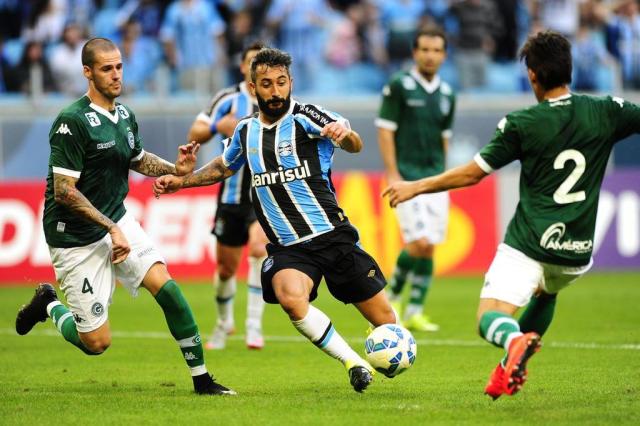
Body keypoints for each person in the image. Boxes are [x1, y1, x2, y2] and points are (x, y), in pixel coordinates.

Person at [383, 30, 640, 399]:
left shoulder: (523, 122)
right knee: (546, 292)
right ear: (569, 69)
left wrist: (416, 186)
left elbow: (472, 174)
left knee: (489, 317)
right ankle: (507, 367)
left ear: (532, 75)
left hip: (530, 243)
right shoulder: (607, 110)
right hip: (577, 251)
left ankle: (513, 342)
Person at [154, 47, 397, 393]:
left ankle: (384, 350)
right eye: (266, 84)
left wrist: (345, 135)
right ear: (253, 87)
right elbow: (223, 167)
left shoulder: (307, 116)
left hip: (332, 236)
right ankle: (353, 363)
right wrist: (181, 181)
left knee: (386, 321)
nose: (275, 91)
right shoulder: (245, 131)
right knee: (290, 297)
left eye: (281, 82)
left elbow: (354, 142)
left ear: (290, 82)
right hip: (289, 248)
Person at [14, 37, 235, 396]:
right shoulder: (71, 121)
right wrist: (110, 228)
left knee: (167, 288)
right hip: (75, 237)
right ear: (88, 72)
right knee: (96, 343)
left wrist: (176, 169)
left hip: (117, 219)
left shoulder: (125, 116)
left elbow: (137, 159)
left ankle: (202, 379)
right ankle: (49, 304)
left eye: (119, 67)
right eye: (106, 69)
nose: (116, 75)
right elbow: (64, 191)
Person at [187, 41, 269, 350]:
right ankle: (224, 324)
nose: (257, 67)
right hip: (232, 196)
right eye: (252, 62)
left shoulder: (277, 99)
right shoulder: (228, 98)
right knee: (225, 269)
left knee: (259, 249)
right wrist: (217, 125)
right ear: (243, 67)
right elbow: (195, 132)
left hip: (264, 194)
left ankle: (254, 326)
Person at [375, 26, 456, 333]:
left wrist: (445, 176)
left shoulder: (447, 93)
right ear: (414, 53)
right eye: (425, 50)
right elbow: (385, 130)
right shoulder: (400, 85)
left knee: (430, 246)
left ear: (444, 55)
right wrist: (392, 172)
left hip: (435, 180)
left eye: (436, 50)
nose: (430, 56)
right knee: (418, 242)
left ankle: (415, 311)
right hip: (406, 178)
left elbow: (445, 137)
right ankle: (392, 298)